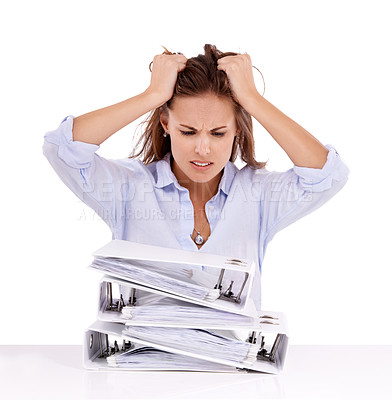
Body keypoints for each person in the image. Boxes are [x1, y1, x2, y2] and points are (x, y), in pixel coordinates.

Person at [42, 44, 349, 307]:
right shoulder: (129, 187)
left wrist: (252, 100)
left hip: (235, 371)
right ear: (165, 123)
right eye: (187, 131)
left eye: (218, 133)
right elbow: (63, 148)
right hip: (139, 369)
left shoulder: (258, 194)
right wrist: (152, 95)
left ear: (237, 130)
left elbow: (326, 174)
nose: (203, 149)